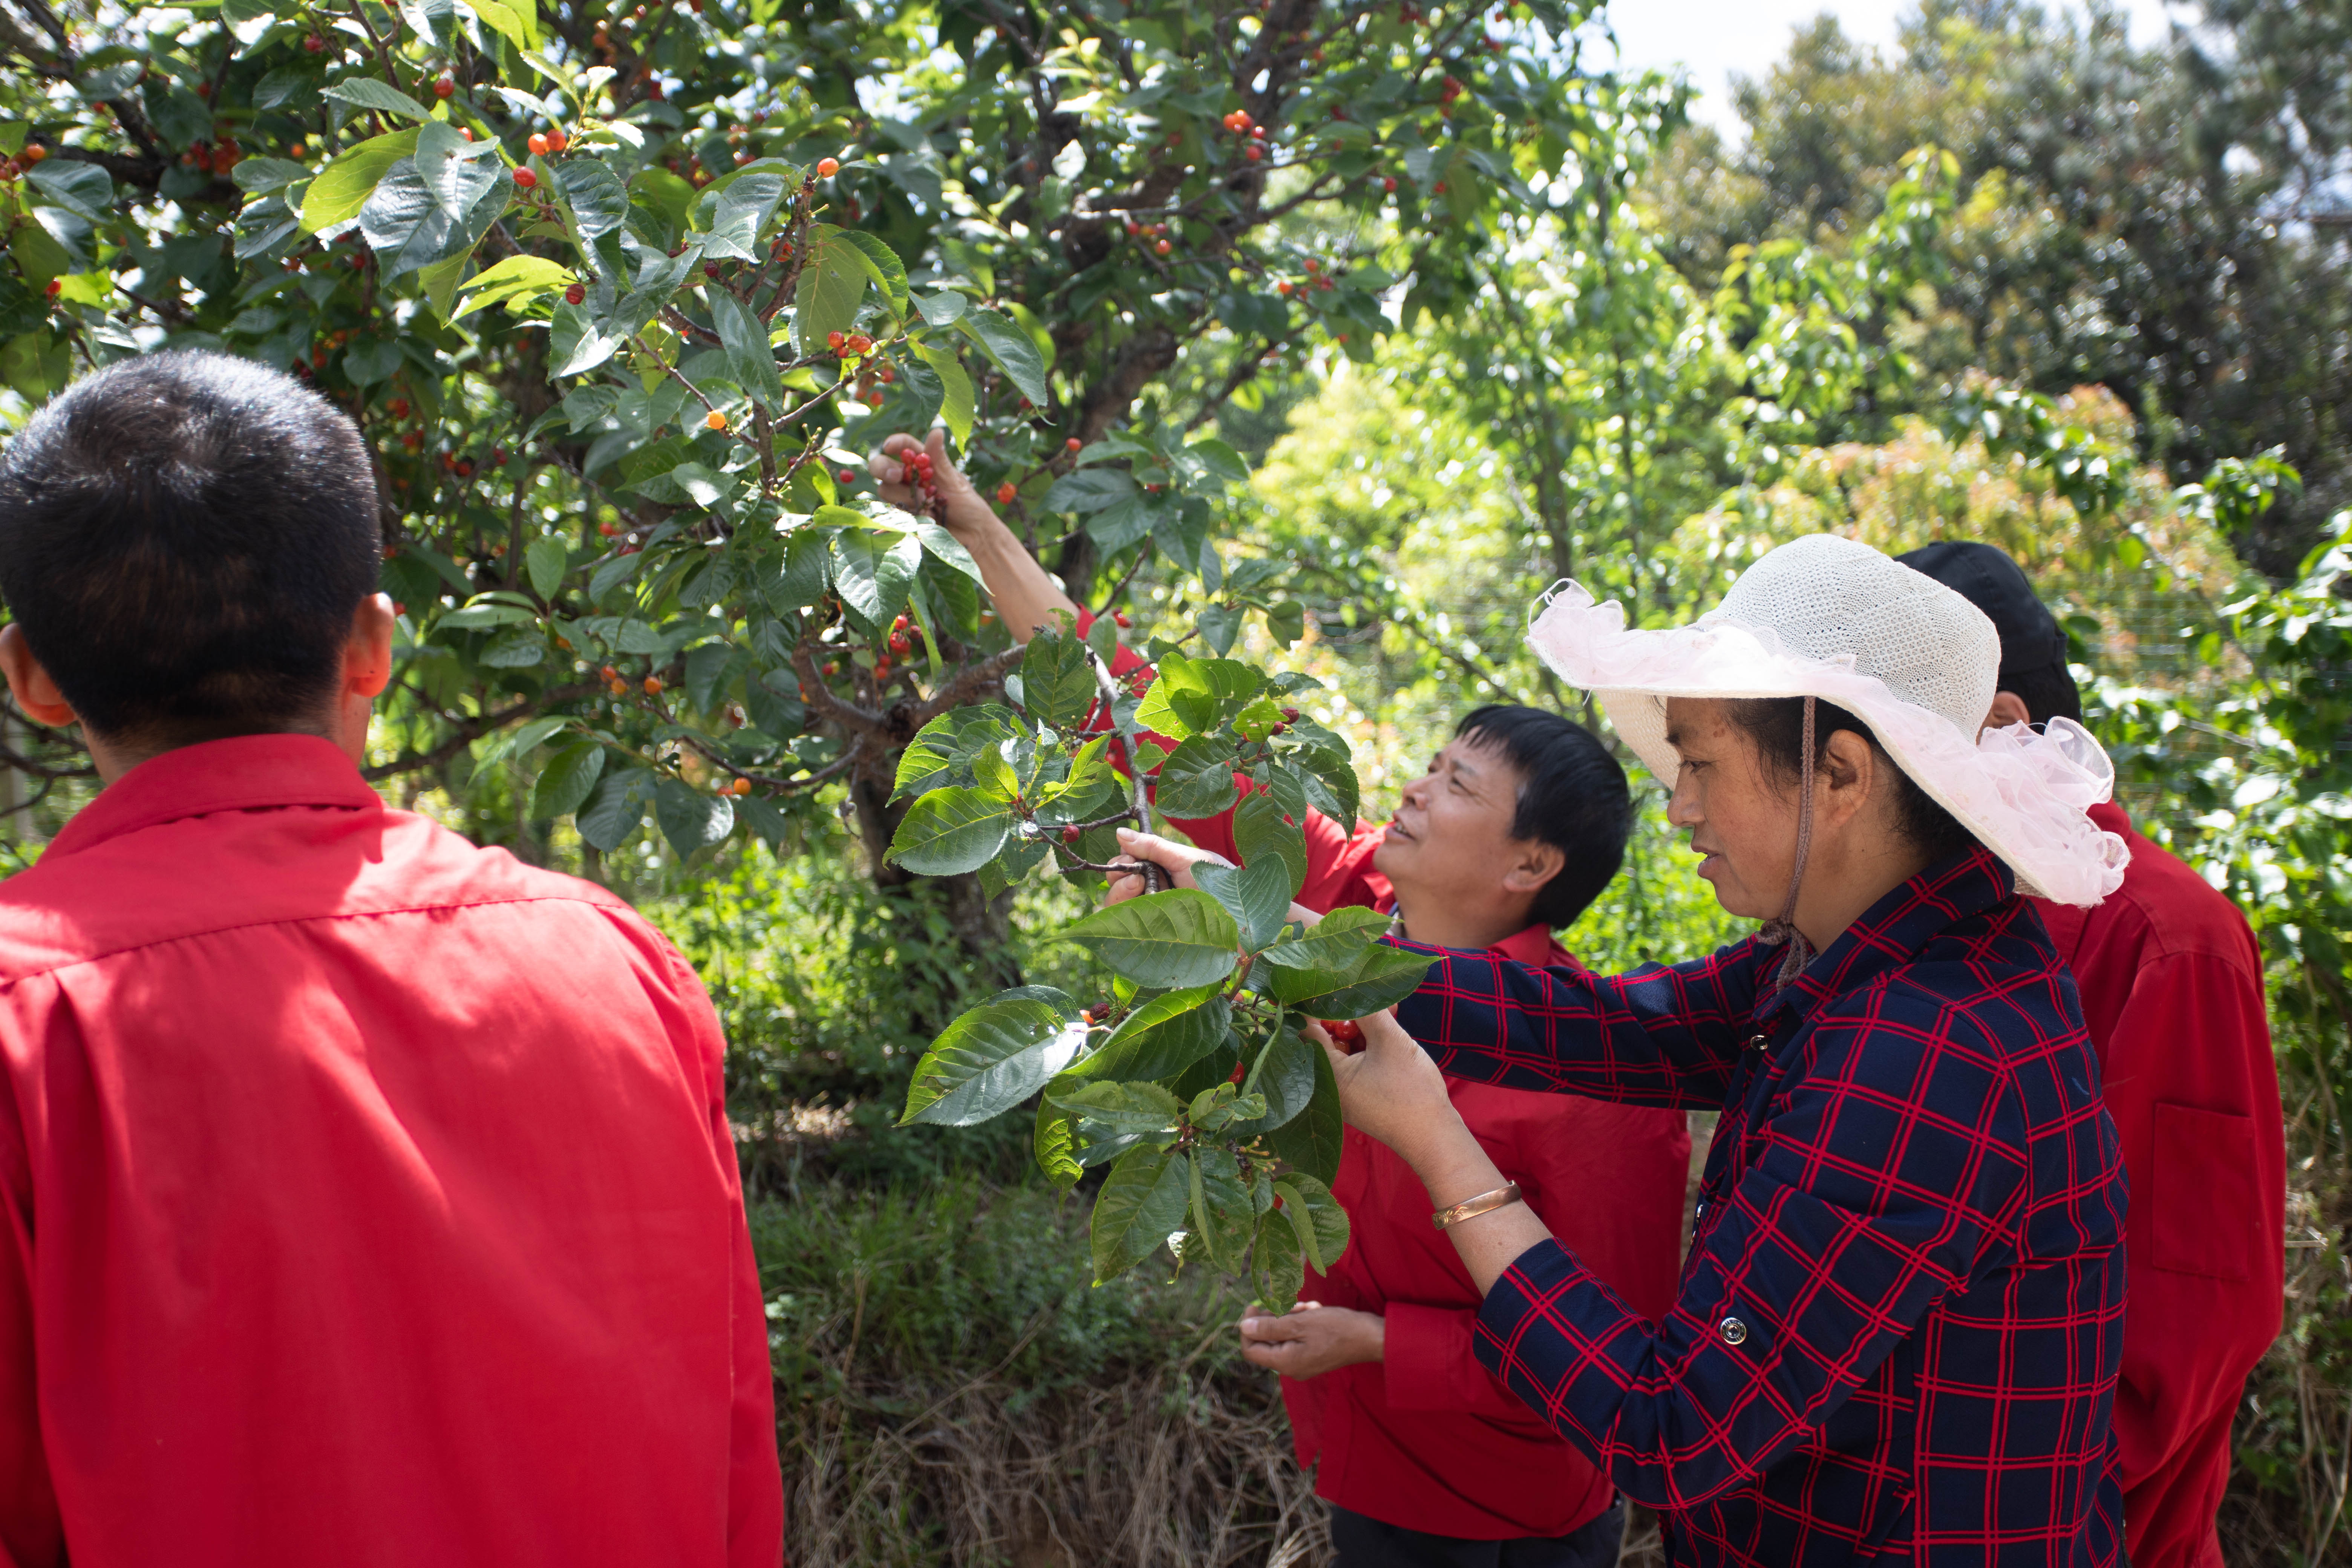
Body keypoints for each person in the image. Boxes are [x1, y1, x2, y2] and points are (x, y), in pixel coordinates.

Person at [1116, 533, 2136, 1567]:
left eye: (1700, 764)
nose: (1681, 806)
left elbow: (1674, 1427)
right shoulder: (1853, 960)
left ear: (1838, 776)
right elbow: (1603, 1027)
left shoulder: (1925, 1051)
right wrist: (1267, 932)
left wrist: (1436, 1141)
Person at [0, 352, 784, 1566]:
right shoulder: (618, 968)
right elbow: (731, 1459)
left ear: (33, 679)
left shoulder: (30, 1022)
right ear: (371, 645)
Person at [870, 431, 1690, 1566]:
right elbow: (1117, 694)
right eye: (1433, 761)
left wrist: (1377, 1340)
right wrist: (965, 513)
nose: (1415, 784)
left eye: (1458, 785)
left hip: (1508, 1518)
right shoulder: (1348, 900)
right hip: (1364, 1471)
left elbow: (1619, 1356)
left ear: (1529, 869)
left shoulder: (1595, 1076)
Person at [1897, 540, 2283, 1568]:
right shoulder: (1925, 915)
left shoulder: (2167, 936)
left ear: (2000, 726)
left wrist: (2004, 1514)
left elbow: (2192, 1313)